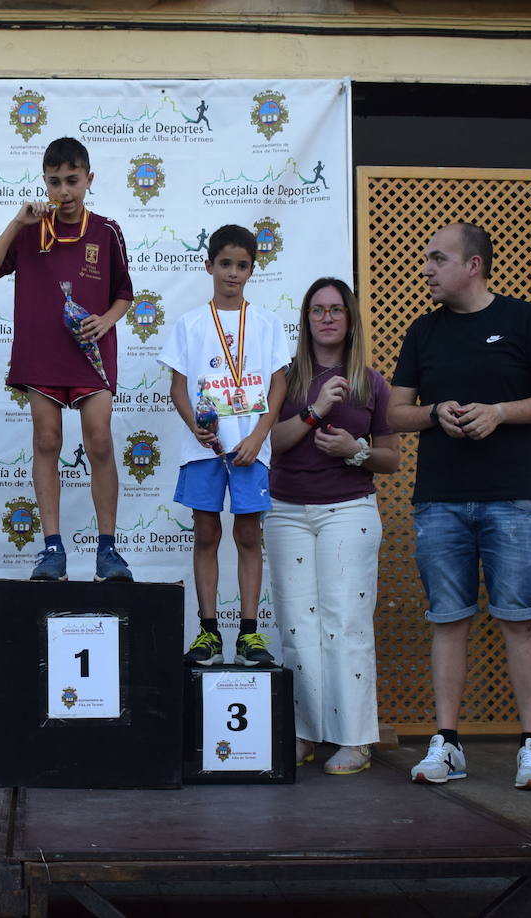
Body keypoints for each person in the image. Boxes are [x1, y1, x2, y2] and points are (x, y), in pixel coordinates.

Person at [388, 222, 531, 791]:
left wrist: (500, 412)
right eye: (427, 259)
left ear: (473, 265)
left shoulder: (523, 319)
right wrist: (434, 412)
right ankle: (447, 745)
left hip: (513, 499)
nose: (426, 269)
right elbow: (395, 414)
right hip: (439, 501)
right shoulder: (422, 331)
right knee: (448, 621)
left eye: (437, 258)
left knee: (520, 621)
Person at [0, 136, 134, 582]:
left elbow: (124, 293)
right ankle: (52, 549)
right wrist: (16, 221)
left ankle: (108, 549)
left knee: (99, 439)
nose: (63, 191)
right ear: (43, 182)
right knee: (47, 441)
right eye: (54, 182)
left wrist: (106, 320)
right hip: (41, 353)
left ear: (89, 179)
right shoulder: (31, 228)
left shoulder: (106, 231)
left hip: (91, 355)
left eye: (72, 181)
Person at [265, 278, 399, 775]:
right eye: (317, 310)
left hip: (349, 509)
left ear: (350, 319)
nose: (326, 318)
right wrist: (315, 410)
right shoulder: (285, 379)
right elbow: (272, 443)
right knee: (298, 628)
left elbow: (390, 460)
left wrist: (355, 451)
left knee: (345, 624)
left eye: (336, 310)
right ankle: (303, 732)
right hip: (286, 512)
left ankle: (354, 739)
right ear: (306, 320)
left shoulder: (371, 382)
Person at [158, 225, 289, 666]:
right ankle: (209, 630)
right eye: (225, 264)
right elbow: (178, 386)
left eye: (242, 266)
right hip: (204, 449)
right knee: (206, 533)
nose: (233, 273)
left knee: (249, 534)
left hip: (251, 448)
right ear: (209, 265)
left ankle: (249, 633)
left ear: (253, 269)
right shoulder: (191, 323)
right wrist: (195, 425)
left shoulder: (267, 323)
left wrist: (258, 436)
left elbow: (278, 386)